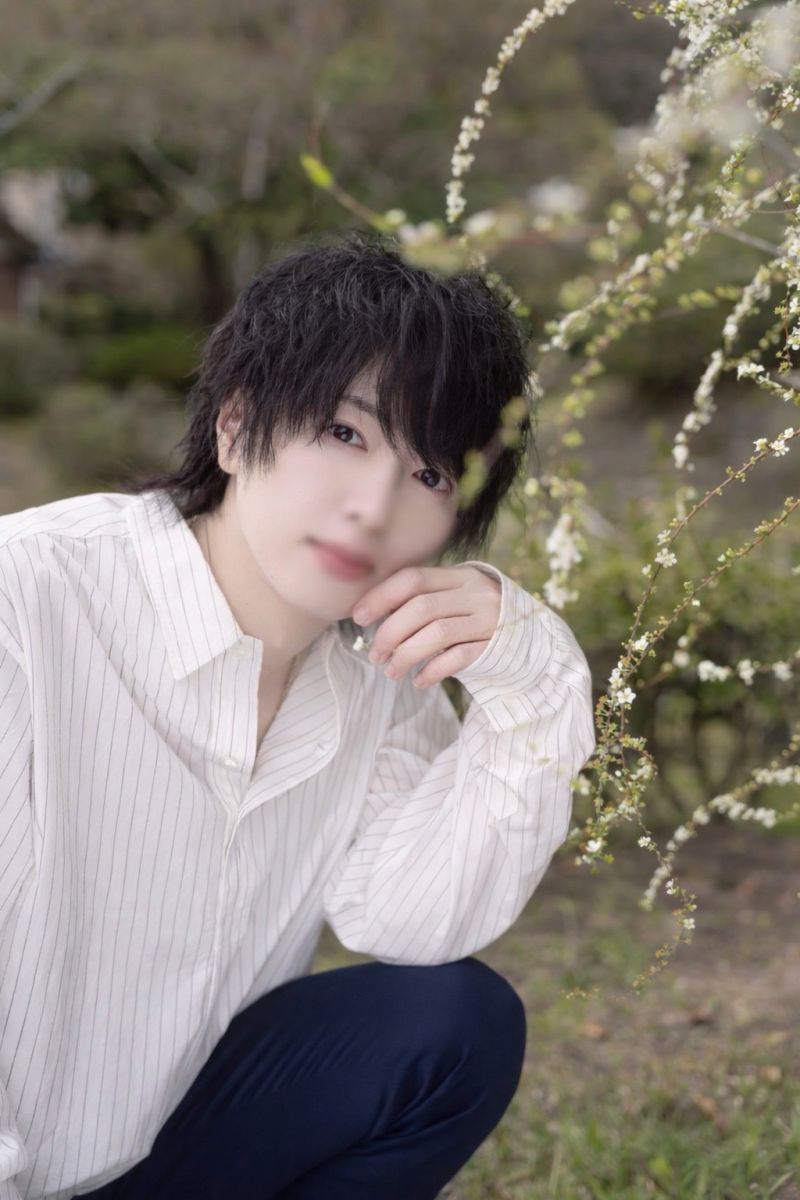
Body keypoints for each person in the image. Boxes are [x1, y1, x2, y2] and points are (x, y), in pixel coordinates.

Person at [0, 230, 596, 1200]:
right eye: (344, 434)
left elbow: (413, 922)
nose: (374, 506)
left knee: (454, 1022)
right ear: (235, 428)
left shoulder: (376, 678)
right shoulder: (24, 602)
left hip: (158, 1159)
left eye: (431, 473)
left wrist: (533, 675)